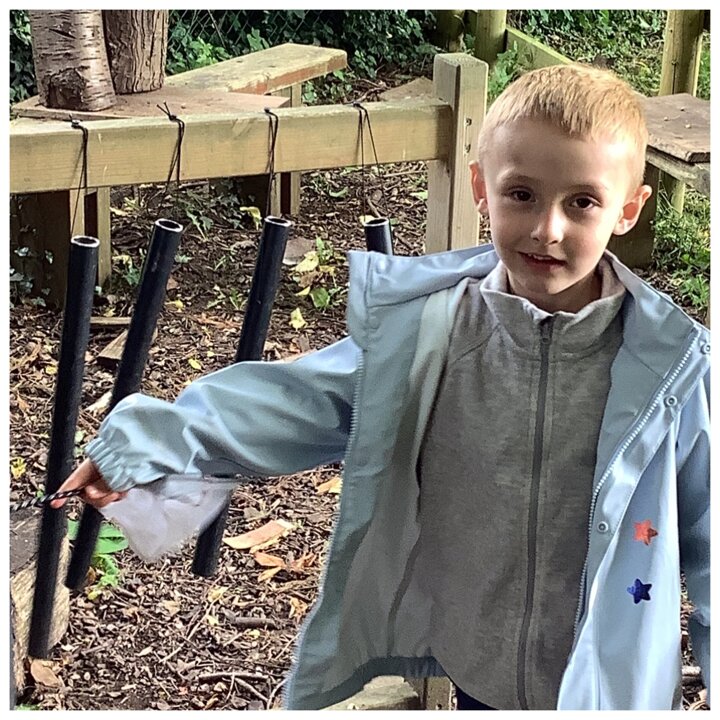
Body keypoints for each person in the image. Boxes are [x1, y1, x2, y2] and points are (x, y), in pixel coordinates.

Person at [54, 63, 710, 711]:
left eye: (582, 202)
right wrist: (148, 444)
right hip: (480, 668)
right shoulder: (430, 334)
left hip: (613, 689)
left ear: (627, 209)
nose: (547, 228)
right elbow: (298, 399)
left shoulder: (671, 370)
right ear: (481, 188)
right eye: (522, 194)